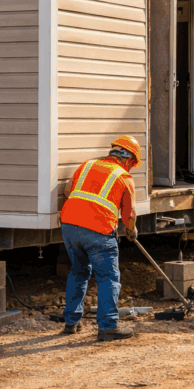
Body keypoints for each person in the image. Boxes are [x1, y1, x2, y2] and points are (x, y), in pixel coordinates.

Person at [59, 135, 141, 342]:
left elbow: (67, 190)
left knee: (78, 271)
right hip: (98, 229)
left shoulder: (86, 165)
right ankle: (107, 327)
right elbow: (129, 215)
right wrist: (131, 230)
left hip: (69, 226)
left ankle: (71, 322)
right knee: (108, 278)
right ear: (129, 159)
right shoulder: (123, 177)